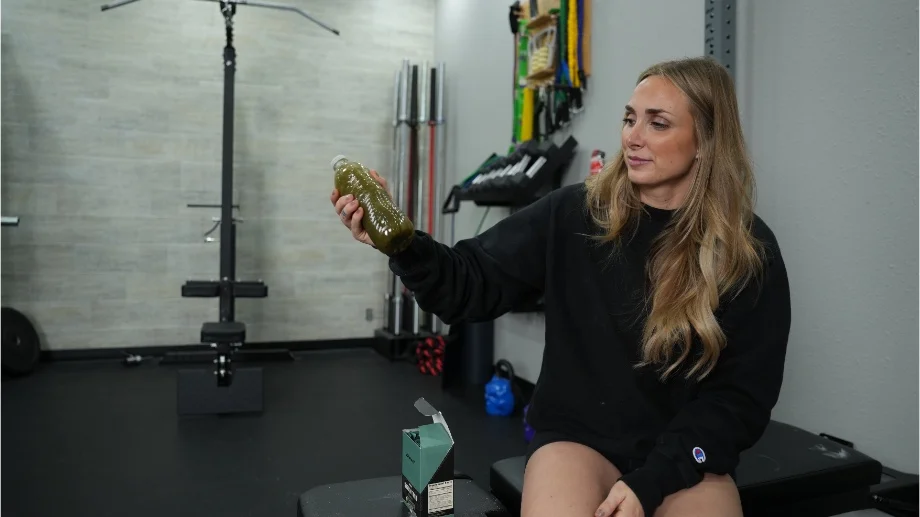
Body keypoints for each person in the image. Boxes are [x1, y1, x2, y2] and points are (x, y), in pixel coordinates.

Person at [330, 56, 791, 517]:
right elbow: (467, 283)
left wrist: (654, 480)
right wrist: (401, 246)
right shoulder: (575, 213)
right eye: (630, 119)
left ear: (705, 142)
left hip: (685, 456)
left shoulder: (746, 251)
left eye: (658, 124)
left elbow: (740, 398)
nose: (633, 136)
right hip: (578, 440)